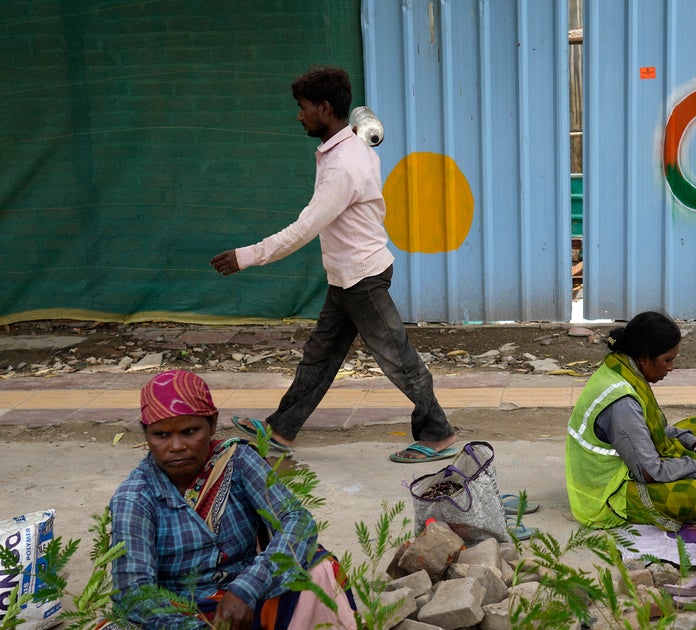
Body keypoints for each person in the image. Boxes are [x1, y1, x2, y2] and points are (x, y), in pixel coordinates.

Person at [209, 65, 456, 463]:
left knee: (397, 357)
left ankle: (438, 432)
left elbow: (304, 228)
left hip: (363, 278)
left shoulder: (343, 166)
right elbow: (359, 119)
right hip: (348, 276)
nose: (298, 115)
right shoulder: (349, 146)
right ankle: (281, 429)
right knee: (320, 356)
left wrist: (247, 256)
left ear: (324, 108)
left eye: (303, 107)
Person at [108, 370, 357, 629]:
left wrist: (246, 588)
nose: (177, 446)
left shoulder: (236, 460)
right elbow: (134, 593)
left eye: (190, 431)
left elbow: (297, 520)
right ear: (146, 434)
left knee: (318, 569)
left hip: (248, 596)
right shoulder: (134, 497)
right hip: (179, 612)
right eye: (161, 435)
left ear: (212, 424)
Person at [565, 311, 696, 532]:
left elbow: (659, 429)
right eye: (667, 360)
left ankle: (692, 464)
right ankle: (692, 480)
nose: (671, 367)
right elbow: (649, 472)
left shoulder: (623, 367)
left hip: (632, 461)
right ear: (644, 358)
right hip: (610, 490)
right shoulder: (622, 402)